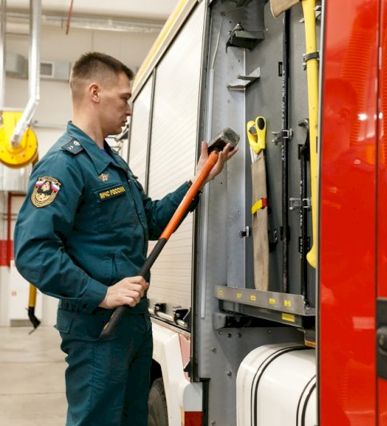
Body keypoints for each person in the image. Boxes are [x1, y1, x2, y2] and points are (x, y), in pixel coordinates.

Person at [13, 52, 237, 426]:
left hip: (131, 322)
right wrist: (101, 293)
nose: (129, 109)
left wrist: (198, 179)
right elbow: (33, 252)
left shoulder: (112, 163)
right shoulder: (63, 165)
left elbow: (150, 220)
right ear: (94, 93)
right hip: (98, 327)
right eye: (124, 98)